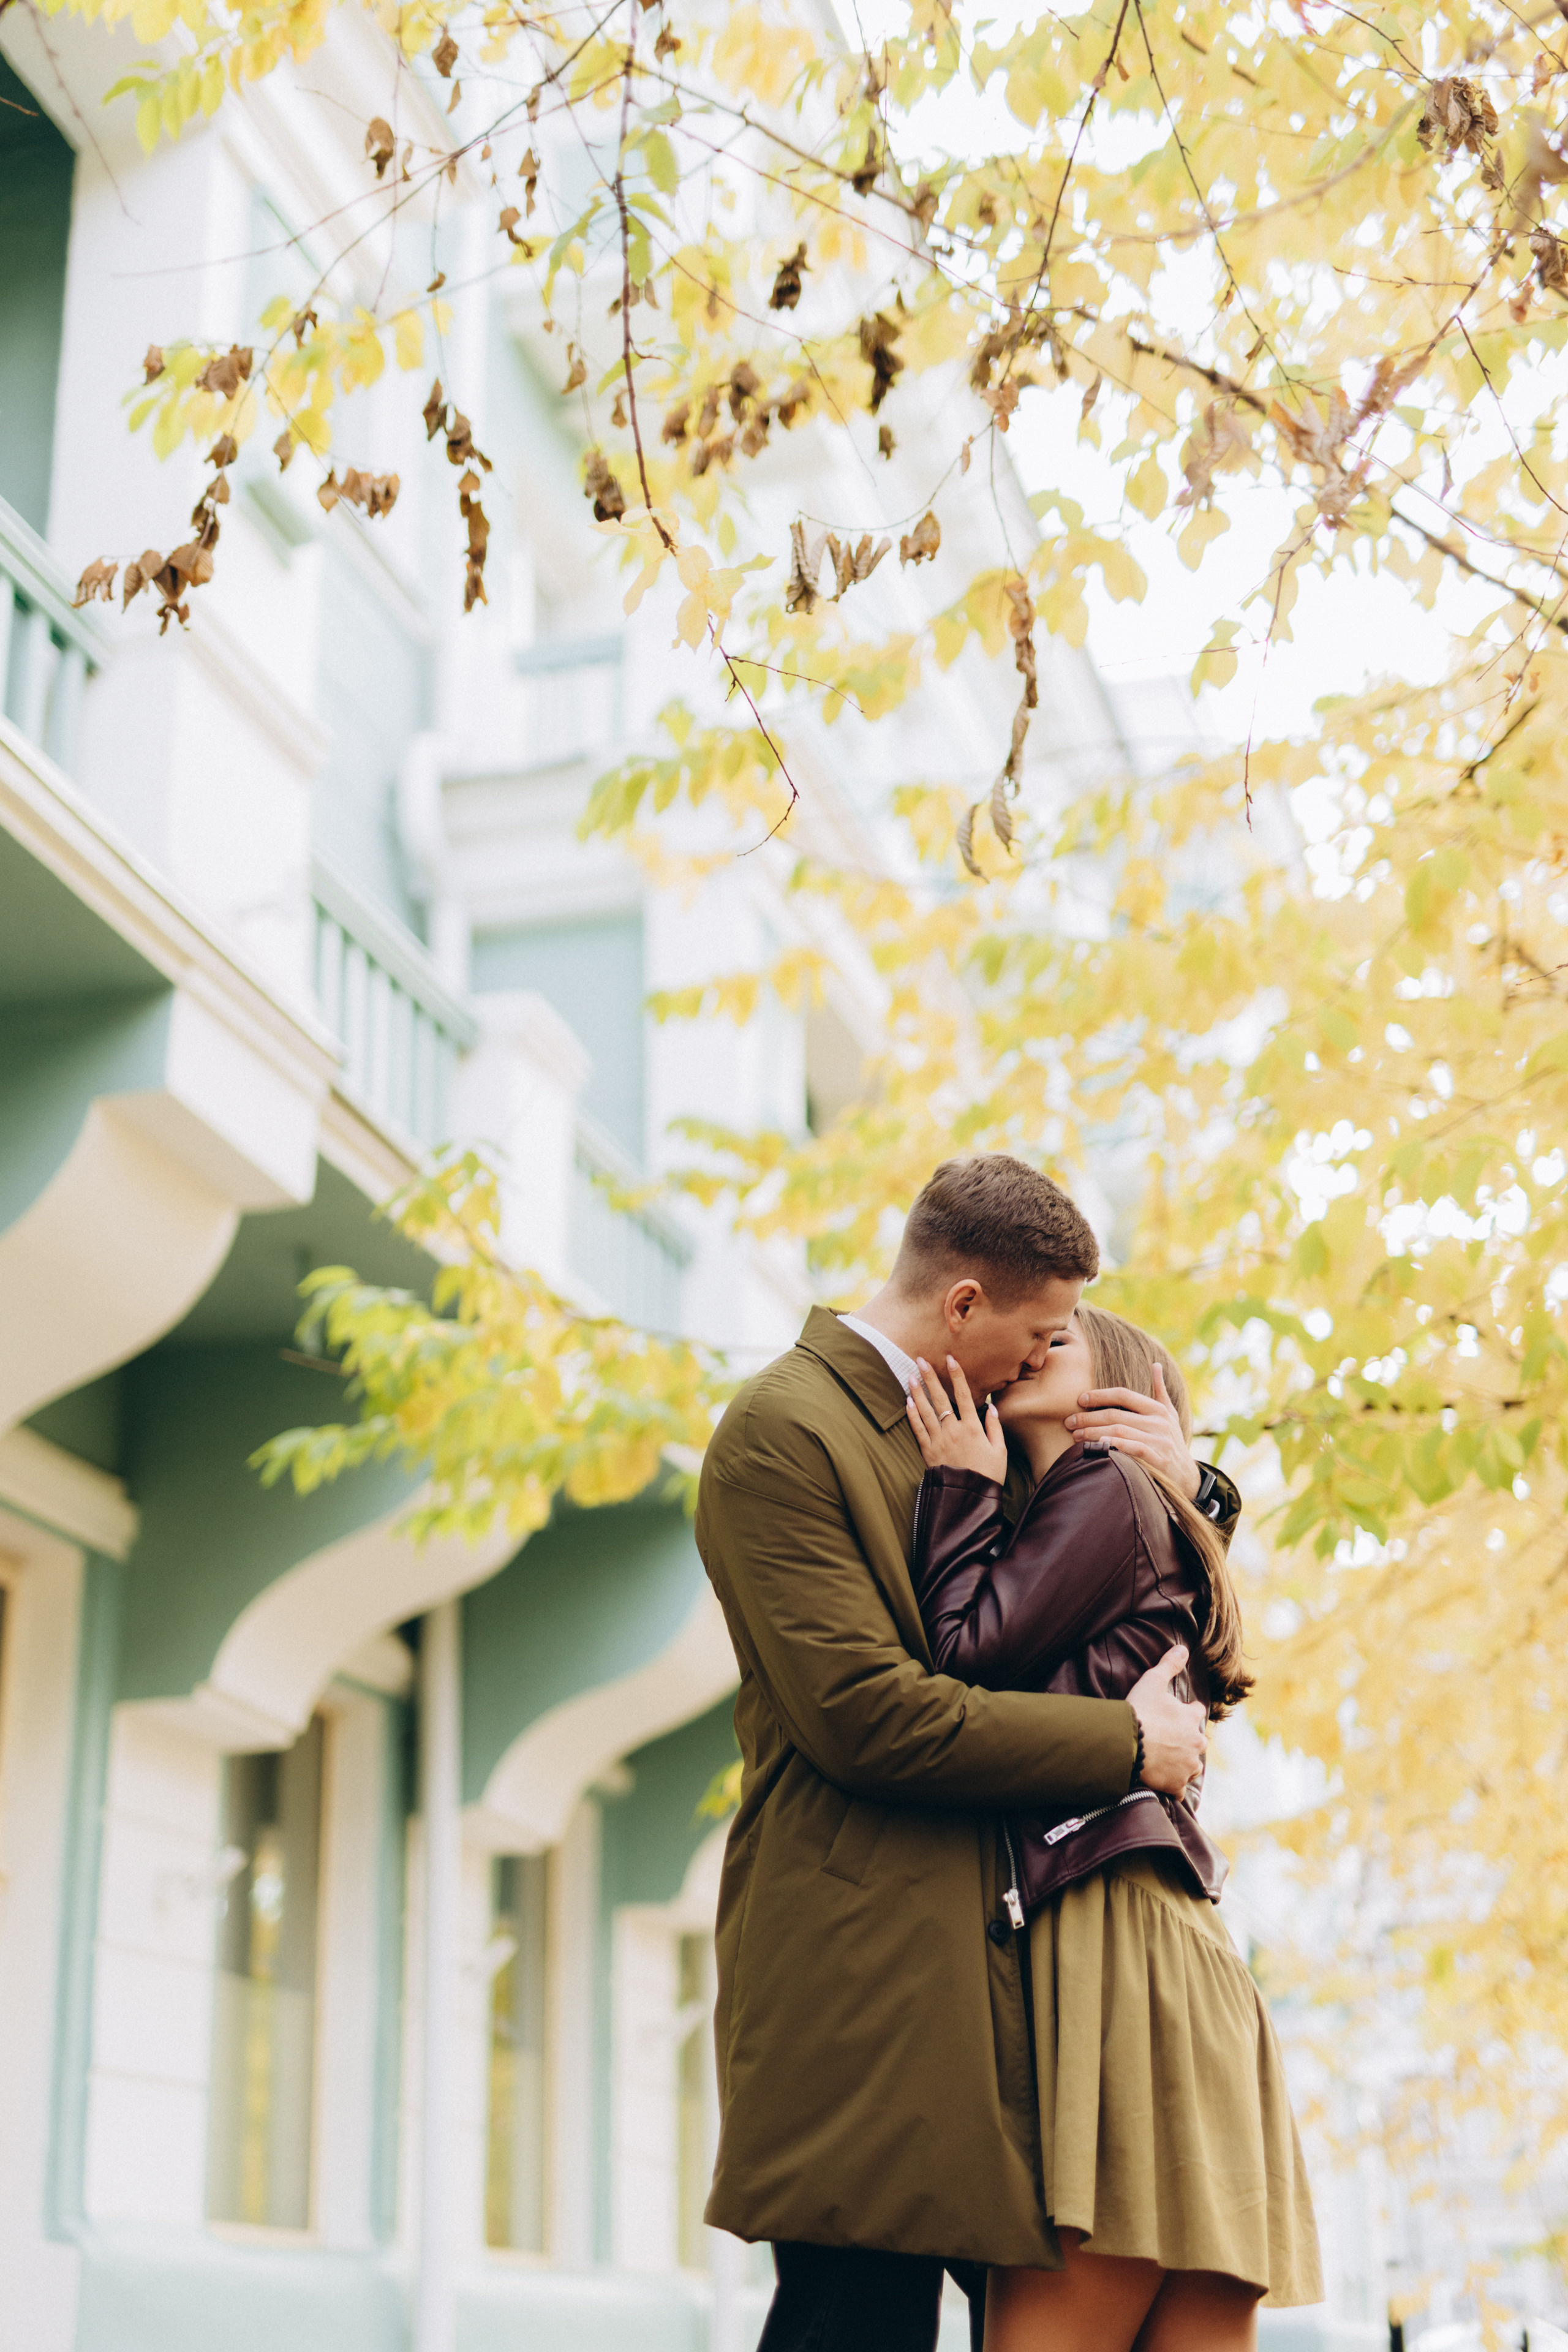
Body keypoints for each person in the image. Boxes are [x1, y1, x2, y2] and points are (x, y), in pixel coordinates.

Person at [694, 1156, 1243, 2352]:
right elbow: (867, 1716)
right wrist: (1121, 1744)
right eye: (1041, 1334)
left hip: (1008, 1968)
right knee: (857, 2319)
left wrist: (1185, 1483)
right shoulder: (785, 1432)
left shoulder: (971, 1429)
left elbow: (1088, 1610)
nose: (1050, 1356)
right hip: (869, 1965)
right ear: (961, 1309)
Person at [905, 1302, 1321, 2351]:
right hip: (1173, 1956)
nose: (1039, 1344)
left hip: (1117, 1949)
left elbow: (960, 1660)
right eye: (1034, 1334)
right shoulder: (1125, 1509)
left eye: (1066, 1337)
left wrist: (959, 1483)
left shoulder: (1107, 1486)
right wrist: (1202, 1489)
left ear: (1125, 1388)